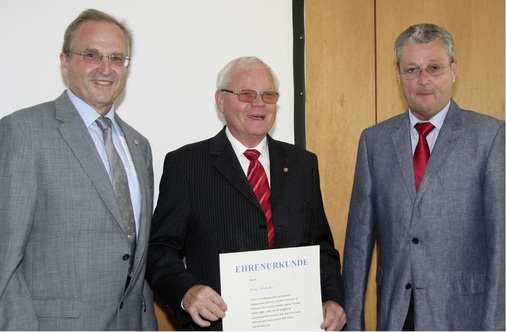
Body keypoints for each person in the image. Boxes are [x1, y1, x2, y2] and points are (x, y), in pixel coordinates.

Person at [146, 56, 346, 331]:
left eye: (268, 94)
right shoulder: (187, 164)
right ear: (220, 100)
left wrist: (332, 299)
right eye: (246, 94)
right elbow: (160, 249)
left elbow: (321, 248)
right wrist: (186, 292)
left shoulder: (302, 164)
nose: (259, 103)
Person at [0, 9, 157, 330]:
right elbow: (4, 253)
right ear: (65, 61)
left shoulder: (139, 146)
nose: (105, 68)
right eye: (91, 55)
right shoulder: (23, 131)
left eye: (117, 58)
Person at [343, 23, 505, 331]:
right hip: (397, 315)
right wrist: (354, 324)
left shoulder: (491, 137)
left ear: (453, 70)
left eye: (434, 68)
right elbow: (358, 245)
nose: (423, 80)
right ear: (399, 74)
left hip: (464, 316)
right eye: (412, 70)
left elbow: (503, 245)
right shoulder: (374, 142)